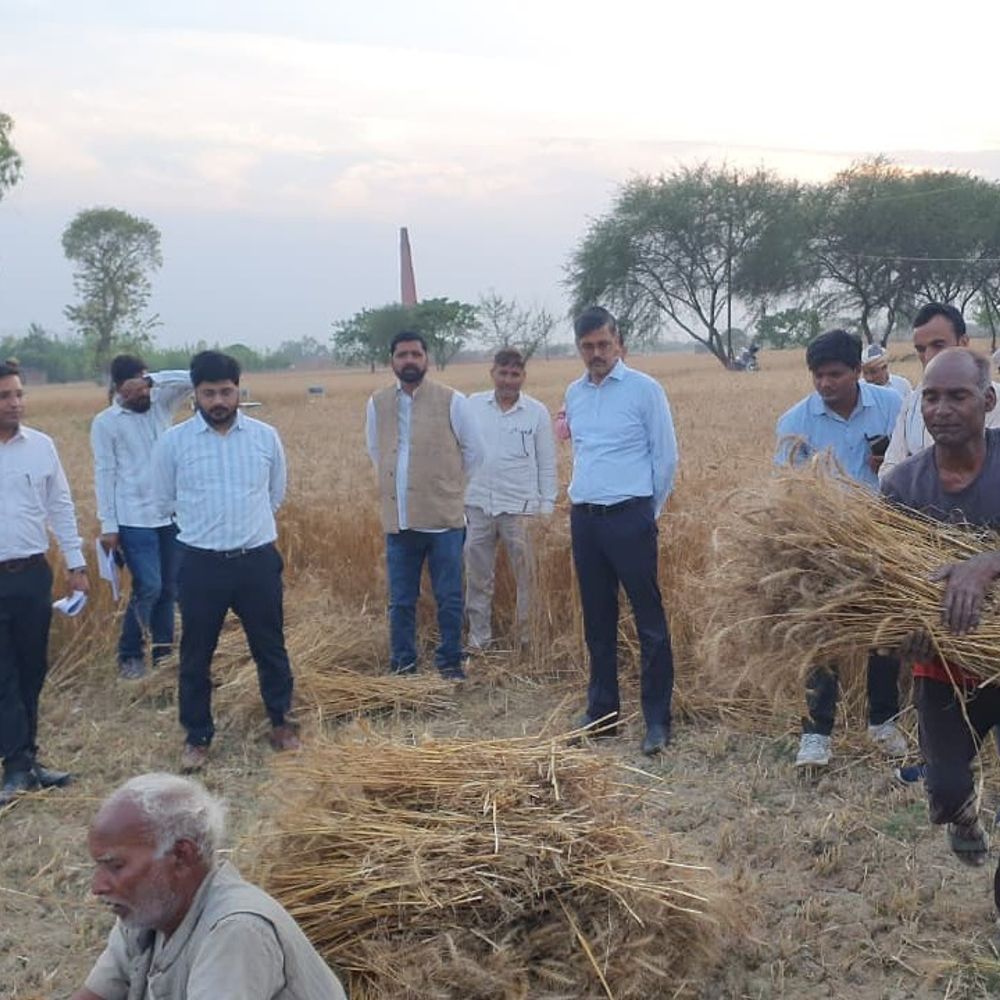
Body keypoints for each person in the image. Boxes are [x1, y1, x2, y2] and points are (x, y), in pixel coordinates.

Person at [880, 348, 1000, 891]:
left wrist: (988, 564)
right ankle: (962, 815)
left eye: (958, 396)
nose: (941, 409)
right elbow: (883, 590)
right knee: (946, 792)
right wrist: (899, 633)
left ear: (988, 401)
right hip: (943, 669)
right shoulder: (903, 487)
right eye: (930, 397)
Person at [70, 773, 347, 1000]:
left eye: (116, 866)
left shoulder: (235, 930)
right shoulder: (144, 912)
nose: (97, 886)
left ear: (181, 856)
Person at [153, 351, 298, 773]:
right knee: (196, 654)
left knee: (270, 647)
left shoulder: (265, 437)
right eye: (209, 393)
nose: (218, 401)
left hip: (256, 561)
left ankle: (282, 723)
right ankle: (197, 737)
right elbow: (164, 501)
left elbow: (275, 494)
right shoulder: (173, 442)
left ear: (238, 390)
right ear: (195, 395)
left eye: (226, 391)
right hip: (201, 565)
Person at [775, 329, 907, 768]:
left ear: (857, 371)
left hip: (885, 535)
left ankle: (883, 722)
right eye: (818, 375)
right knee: (821, 635)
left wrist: (889, 465)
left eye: (834, 374)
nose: (824, 383)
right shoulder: (795, 422)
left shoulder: (893, 406)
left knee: (884, 631)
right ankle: (816, 734)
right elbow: (786, 490)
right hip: (823, 543)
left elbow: (916, 462)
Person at [565, 306, 677, 756]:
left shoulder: (644, 390)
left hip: (630, 516)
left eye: (603, 344)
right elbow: (583, 452)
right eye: (588, 346)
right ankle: (602, 713)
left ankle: (657, 721)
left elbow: (665, 458)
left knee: (649, 622)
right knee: (597, 620)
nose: (596, 353)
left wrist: (646, 512)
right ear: (579, 348)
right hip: (585, 519)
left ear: (619, 344)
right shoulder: (574, 394)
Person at [365, 331, 485, 679]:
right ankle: (403, 665)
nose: (409, 361)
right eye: (402, 354)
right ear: (392, 361)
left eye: (415, 354)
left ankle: (450, 663)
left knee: (449, 596)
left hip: (443, 520)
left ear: (426, 359)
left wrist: (446, 486)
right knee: (401, 600)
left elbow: (475, 453)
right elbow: (376, 451)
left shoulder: (452, 400)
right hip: (399, 521)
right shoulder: (377, 404)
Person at [0, 359, 88, 806]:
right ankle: (15, 766)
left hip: (33, 575)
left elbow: (61, 507)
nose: (15, 403)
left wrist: (77, 564)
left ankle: (28, 760)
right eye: (4, 396)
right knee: (4, 676)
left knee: (32, 670)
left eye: (19, 394)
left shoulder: (41, 447)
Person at [91, 355, 192, 679]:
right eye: (132, 390)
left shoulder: (160, 402)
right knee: (149, 586)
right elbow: (104, 473)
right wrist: (108, 525)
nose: (141, 395)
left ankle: (163, 657)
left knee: (169, 589)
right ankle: (130, 654)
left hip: (171, 515)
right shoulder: (106, 422)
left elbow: (194, 377)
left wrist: (153, 380)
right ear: (119, 389)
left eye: (143, 387)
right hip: (133, 518)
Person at [464, 348, 557, 652]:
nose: (508, 380)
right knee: (478, 577)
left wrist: (546, 507)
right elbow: (460, 453)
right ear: (492, 373)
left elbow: (546, 463)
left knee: (528, 578)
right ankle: (479, 640)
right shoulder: (472, 406)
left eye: (514, 374)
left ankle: (526, 640)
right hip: (478, 505)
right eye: (502, 373)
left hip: (522, 510)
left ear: (523, 377)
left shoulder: (536, 412)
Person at [881, 302, 1000, 478]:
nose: (928, 356)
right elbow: (889, 468)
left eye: (938, 345)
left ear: (963, 343)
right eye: (921, 349)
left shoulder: (992, 399)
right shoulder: (912, 402)